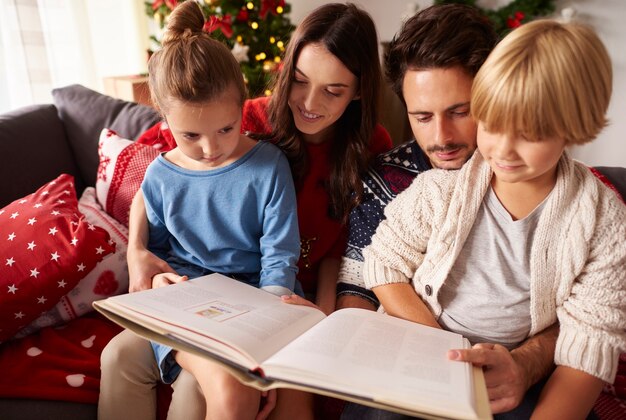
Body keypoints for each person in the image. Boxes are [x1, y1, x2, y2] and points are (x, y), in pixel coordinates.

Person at [99, 3, 392, 419]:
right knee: (125, 360)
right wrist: (137, 248)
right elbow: (158, 169)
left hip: (281, 296)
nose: (308, 103)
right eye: (300, 81)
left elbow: (344, 253)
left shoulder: (361, 147)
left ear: (359, 90)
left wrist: (325, 321)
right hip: (193, 293)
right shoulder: (239, 113)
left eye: (333, 90)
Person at [362, 18, 625, 419]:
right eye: (492, 124)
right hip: (425, 352)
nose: (502, 149)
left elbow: (588, 348)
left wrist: (518, 369)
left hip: (521, 376)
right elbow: (382, 263)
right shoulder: (441, 189)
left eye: (529, 134)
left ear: (575, 128)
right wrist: (444, 358)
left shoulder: (605, 224)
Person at [325, 5, 559, 417]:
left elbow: (574, 309)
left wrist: (525, 363)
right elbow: (359, 289)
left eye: (459, 111)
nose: (442, 137)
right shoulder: (387, 179)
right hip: (410, 368)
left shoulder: (533, 174)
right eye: (422, 116)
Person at [99, 2, 301, 419]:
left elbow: (280, 258)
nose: (211, 149)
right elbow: (157, 260)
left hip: (254, 307)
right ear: (164, 119)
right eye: (190, 135)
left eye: (226, 129)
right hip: (183, 305)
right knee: (117, 357)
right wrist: (158, 283)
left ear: (242, 104)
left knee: (197, 391)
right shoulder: (159, 175)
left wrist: (263, 331)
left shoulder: (268, 166)